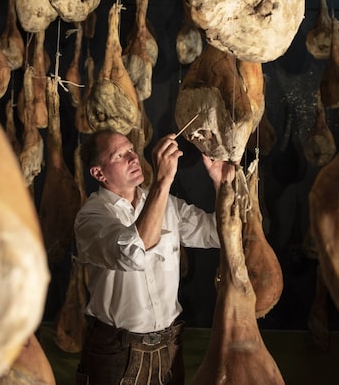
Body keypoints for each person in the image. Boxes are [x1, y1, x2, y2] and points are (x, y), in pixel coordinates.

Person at [74, 128, 235, 385]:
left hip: (169, 347)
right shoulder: (92, 217)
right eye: (119, 155)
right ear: (98, 173)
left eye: (131, 150)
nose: (133, 158)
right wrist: (162, 181)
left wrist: (221, 183)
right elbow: (133, 254)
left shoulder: (166, 203)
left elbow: (217, 234)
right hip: (116, 351)